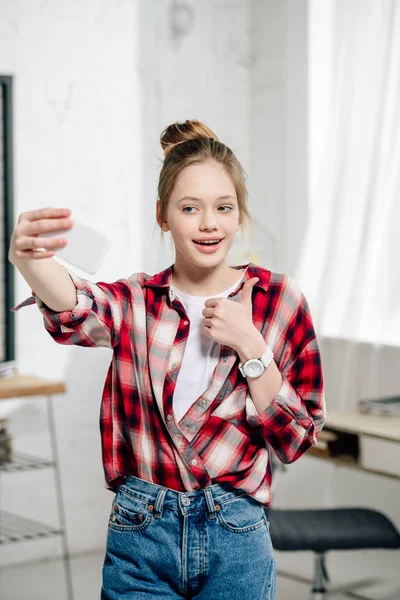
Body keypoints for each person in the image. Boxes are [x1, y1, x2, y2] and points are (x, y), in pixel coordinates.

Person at [9, 119, 325, 600]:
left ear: (239, 215)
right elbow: (75, 307)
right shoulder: (138, 300)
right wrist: (29, 259)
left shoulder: (279, 301)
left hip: (236, 535)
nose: (208, 224)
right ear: (163, 215)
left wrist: (253, 349)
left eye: (223, 207)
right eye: (189, 208)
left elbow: (296, 438)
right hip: (141, 532)